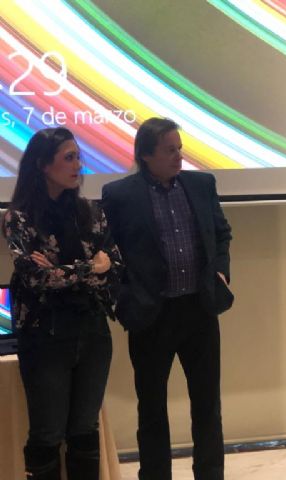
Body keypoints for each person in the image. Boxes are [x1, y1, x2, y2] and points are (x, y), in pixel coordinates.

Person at [102, 117, 232, 480]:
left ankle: (210, 474)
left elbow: (221, 234)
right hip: (150, 315)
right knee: (152, 408)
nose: (179, 157)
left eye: (180, 149)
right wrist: (122, 298)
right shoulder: (120, 195)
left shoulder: (201, 185)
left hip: (199, 310)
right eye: (169, 150)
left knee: (207, 403)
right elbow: (108, 251)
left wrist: (221, 271)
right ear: (146, 155)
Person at [2, 127, 122, 480]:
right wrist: (90, 267)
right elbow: (36, 278)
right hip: (45, 337)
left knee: (85, 430)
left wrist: (66, 270)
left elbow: (115, 268)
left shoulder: (92, 212)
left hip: (93, 332)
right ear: (43, 164)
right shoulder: (19, 218)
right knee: (47, 433)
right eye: (69, 158)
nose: (78, 165)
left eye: (78, 157)